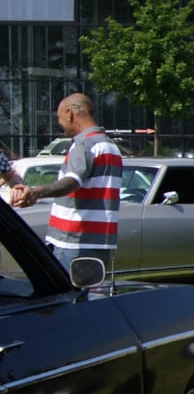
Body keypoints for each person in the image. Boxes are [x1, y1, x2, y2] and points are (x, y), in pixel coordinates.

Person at [9, 93, 122, 273]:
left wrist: (36, 192)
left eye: (59, 118)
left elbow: (72, 182)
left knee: (66, 298)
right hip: (100, 242)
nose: (60, 124)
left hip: (72, 242)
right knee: (87, 297)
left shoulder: (83, 145)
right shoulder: (110, 146)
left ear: (70, 114)